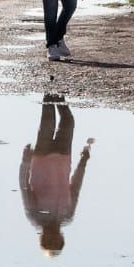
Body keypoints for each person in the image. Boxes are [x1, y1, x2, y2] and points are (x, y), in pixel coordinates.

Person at [19, 96, 91, 256]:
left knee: (48, 119)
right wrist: (84, 161)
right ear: (61, 238)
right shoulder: (67, 215)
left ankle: (49, 88)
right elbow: (76, 186)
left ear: (42, 238)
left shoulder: (35, 215)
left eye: (49, 240)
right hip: (63, 156)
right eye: (56, 239)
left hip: (42, 156)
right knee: (68, 121)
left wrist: (25, 160)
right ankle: (58, 92)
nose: (53, 235)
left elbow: (24, 187)